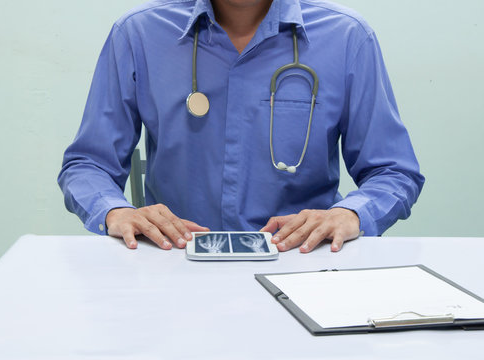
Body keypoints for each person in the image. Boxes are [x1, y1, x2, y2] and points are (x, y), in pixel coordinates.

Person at [58, 0, 425, 253]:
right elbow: (89, 164)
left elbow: (393, 171)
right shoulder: (138, 34)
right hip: (172, 263)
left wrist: (352, 214)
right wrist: (115, 211)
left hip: (305, 263)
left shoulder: (347, 37)